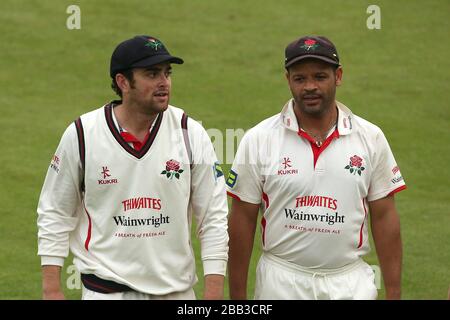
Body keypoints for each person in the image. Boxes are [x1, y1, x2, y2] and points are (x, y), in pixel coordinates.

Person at [37, 35, 229, 300]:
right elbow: (55, 212)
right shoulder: (82, 134)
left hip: (176, 293)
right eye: (152, 73)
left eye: (167, 72)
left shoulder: (190, 133)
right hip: (105, 293)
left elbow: (213, 217)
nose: (164, 82)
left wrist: (214, 292)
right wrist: (51, 288)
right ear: (123, 82)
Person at [227, 36, 406, 300]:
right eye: (300, 79)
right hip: (281, 282)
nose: (310, 87)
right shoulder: (259, 139)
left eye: (320, 77)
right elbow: (242, 220)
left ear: (338, 76)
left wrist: (393, 293)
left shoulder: (371, 137)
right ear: (288, 79)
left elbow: (384, 216)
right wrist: (238, 299)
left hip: (350, 283)